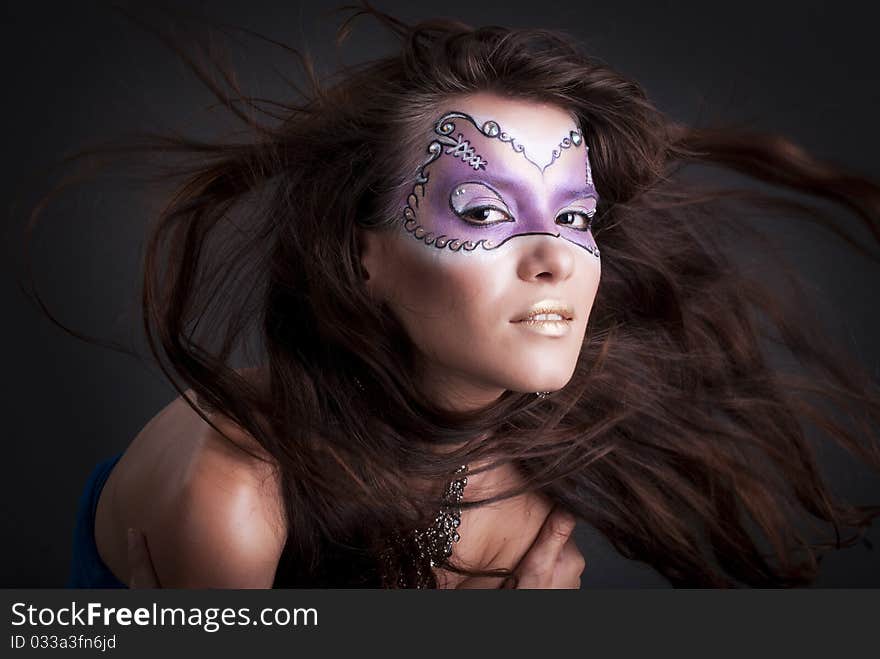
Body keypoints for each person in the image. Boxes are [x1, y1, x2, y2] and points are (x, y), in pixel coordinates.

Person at [42, 4, 880, 589]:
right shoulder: (235, 499)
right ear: (360, 256)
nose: (556, 256)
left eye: (577, 213)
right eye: (484, 210)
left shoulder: (531, 465)